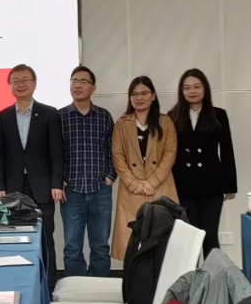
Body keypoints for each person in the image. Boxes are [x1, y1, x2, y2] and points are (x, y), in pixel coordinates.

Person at [0, 64, 64, 289]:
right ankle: (19, 286)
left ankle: (48, 287)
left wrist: (56, 183)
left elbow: (57, 152)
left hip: (43, 186)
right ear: (10, 85)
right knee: (14, 239)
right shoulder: (2, 116)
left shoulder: (50, 113)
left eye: (25, 80)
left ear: (34, 83)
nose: (20, 84)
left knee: (45, 238)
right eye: (16, 81)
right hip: (12, 187)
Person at [168, 68, 237, 258]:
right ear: (181, 91)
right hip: (184, 184)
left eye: (197, 86)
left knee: (210, 236)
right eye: (187, 87)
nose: (192, 91)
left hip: (212, 185)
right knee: (189, 237)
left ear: (205, 89)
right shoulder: (172, 116)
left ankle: (213, 276)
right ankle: (190, 276)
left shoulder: (218, 114)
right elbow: (168, 152)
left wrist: (230, 184)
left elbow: (227, 150)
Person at [111, 76, 178, 260]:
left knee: (163, 244)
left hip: (160, 187)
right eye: (134, 94)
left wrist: (152, 182)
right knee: (133, 244)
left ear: (153, 96)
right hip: (131, 190)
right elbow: (118, 156)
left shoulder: (165, 122)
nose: (139, 97)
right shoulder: (121, 124)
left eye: (144, 93)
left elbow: (170, 153)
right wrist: (134, 184)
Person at [59, 66, 117, 277]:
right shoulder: (60, 117)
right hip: (72, 191)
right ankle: (75, 291)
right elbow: (53, 152)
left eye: (83, 81)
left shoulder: (104, 116)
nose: (78, 85)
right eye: (74, 81)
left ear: (93, 87)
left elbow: (113, 150)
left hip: (100, 190)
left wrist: (110, 176)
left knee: (100, 246)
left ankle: (99, 288)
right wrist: (59, 180)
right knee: (72, 247)